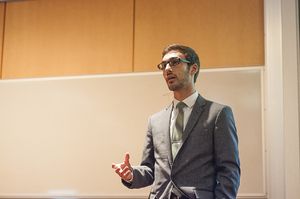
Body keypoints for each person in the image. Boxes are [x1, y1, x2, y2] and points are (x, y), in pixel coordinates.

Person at [112, 44, 240, 199]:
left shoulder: (218, 113)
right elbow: (150, 170)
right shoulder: (155, 121)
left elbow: (229, 169)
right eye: (164, 65)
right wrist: (131, 174)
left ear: (193, 69)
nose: (167, 68)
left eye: (174, 62)